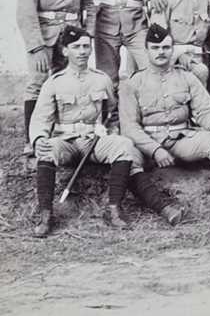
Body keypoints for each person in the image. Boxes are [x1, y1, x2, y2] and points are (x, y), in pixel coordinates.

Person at [119, 25, 210, 221]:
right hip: (146, 143)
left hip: (181, 139)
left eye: (166, 48)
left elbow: (205, 109)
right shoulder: (133, 83)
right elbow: (129, 127)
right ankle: (165, 209)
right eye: (155, 48)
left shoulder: (187, 77)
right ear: (146, 51)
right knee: (126, 157)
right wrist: (155, 150)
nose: (161, 52)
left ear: (173, 50)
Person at [27, 25, 145, 237]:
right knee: (46, 151)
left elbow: (112, 113)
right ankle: (45, 214)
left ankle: (114, 209)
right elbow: (40, 118)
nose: (82, 51)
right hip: (66, 142)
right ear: (65, 51)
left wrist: (109, 130)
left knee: (124, 145)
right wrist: (39, 139)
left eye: (85, 46)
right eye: (76, 47)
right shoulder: (54, 83)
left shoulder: (102, 79)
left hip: (94, 140)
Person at [15, 0, 93, 162]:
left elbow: (89, 5)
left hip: (71, 36)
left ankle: (61, 134)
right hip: (45, 36)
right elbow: (25, 12)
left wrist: (86, 35)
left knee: (68, 83)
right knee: (37, 84)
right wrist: (36, 47)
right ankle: (32, 139)